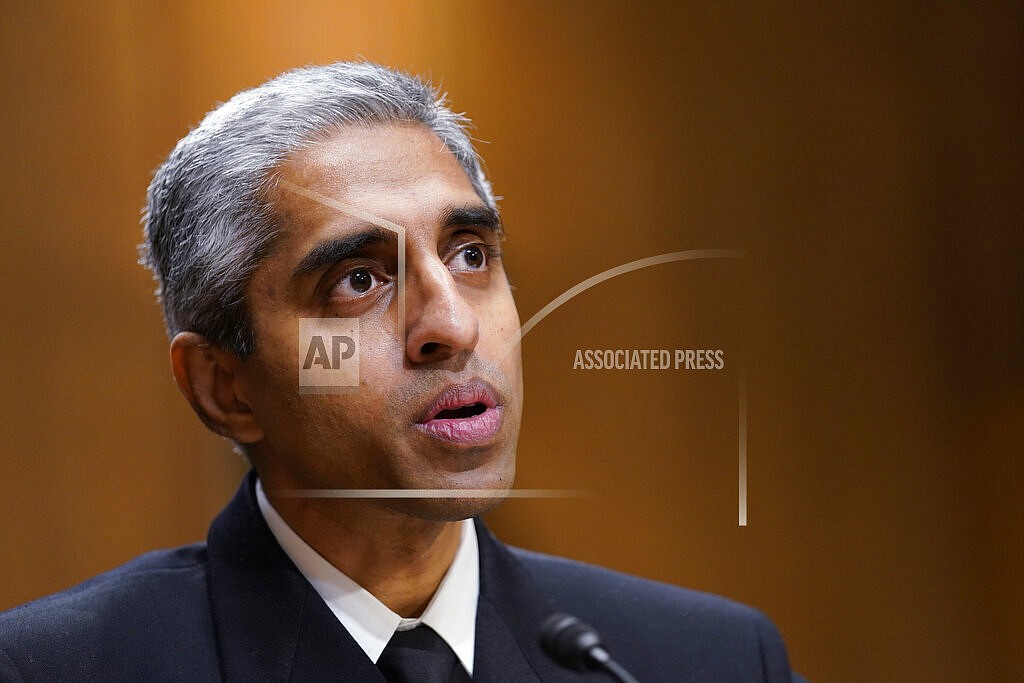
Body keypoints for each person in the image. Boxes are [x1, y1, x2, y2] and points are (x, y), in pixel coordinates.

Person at [0, 61, 804, 682]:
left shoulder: (708, 658)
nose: (451, 325)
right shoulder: (56, 668)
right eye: (358, 280)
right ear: (224, 385)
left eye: (470, 254)